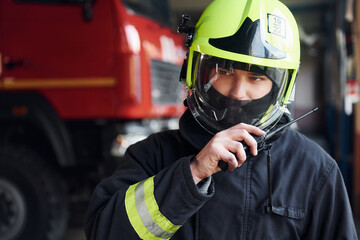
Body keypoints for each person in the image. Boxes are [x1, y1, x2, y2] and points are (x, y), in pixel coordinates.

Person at [84, 0, 358, 239]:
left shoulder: (314, 170)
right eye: (224, 71)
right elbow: (103, 232)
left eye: (256, 77)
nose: (238, 93)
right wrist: (192, 174)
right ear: (194, 70)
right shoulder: (153, 156)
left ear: (282, 87)